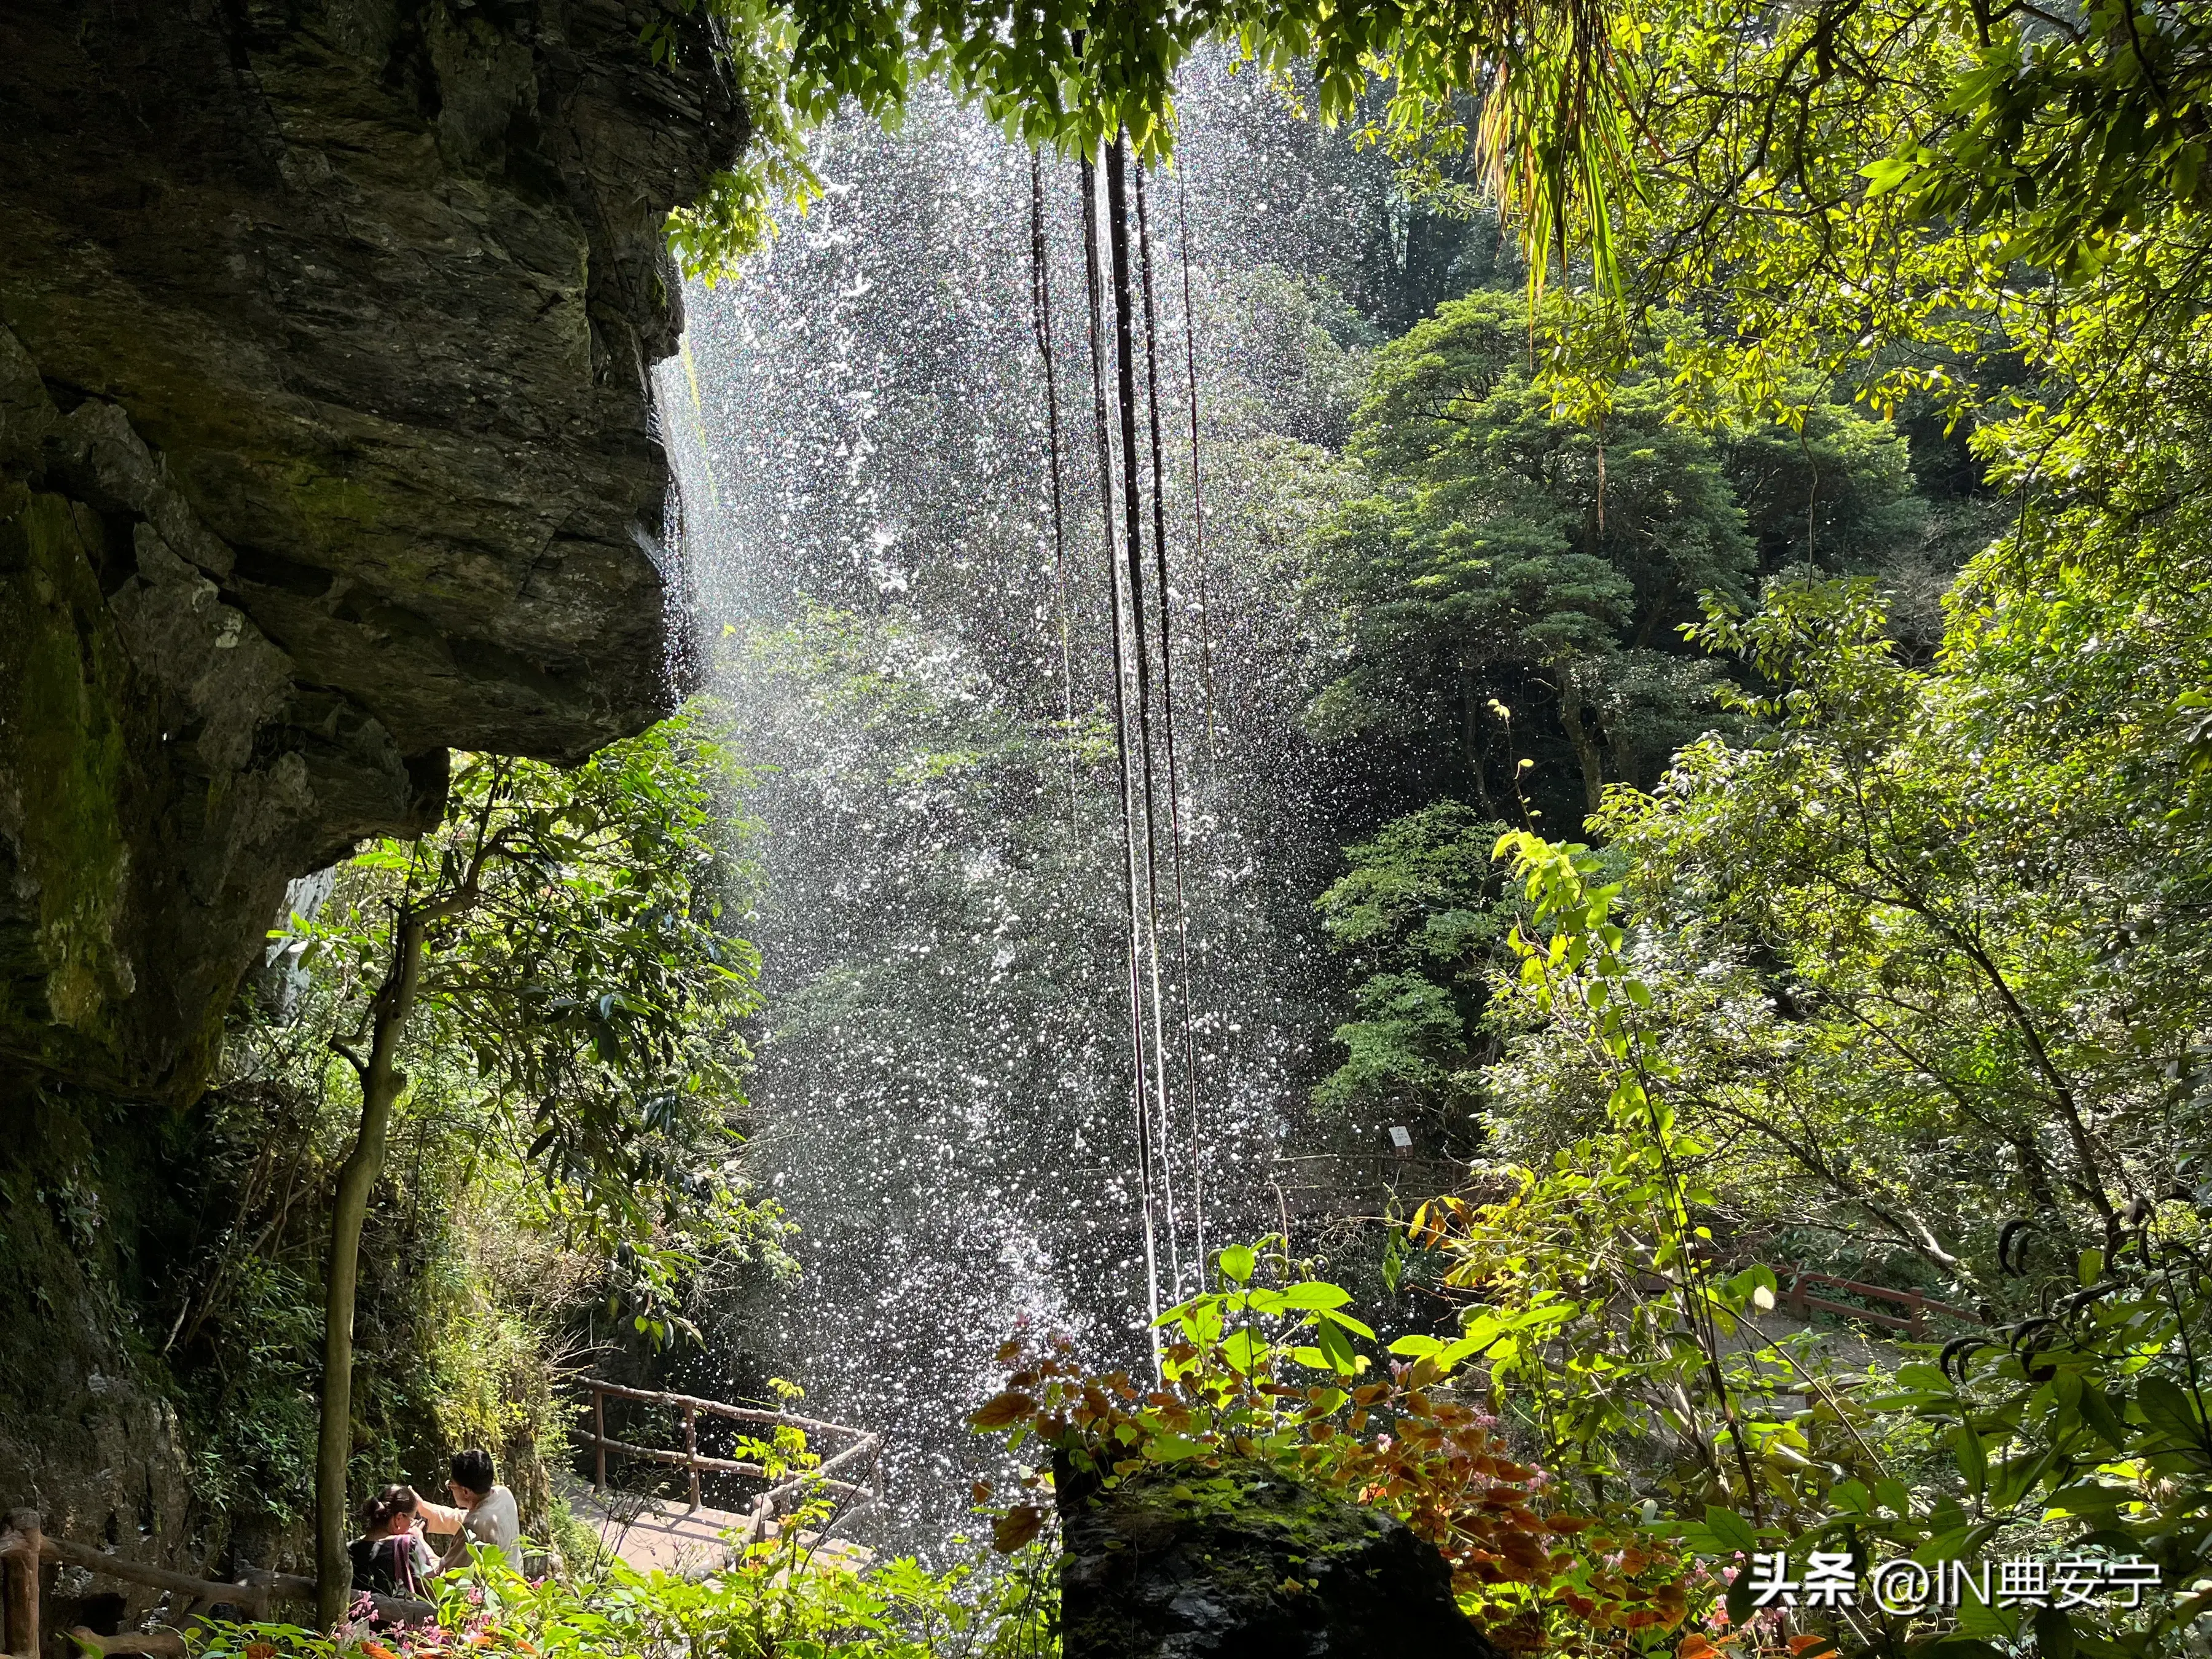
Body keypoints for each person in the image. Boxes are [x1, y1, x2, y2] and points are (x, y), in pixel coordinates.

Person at [412, 1448, 522, 1571]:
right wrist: (423, 1507)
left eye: (451, 1486)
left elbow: (445, 1579)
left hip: (489, 1590)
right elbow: (463, 1517)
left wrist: (418, 1543)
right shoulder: (503, 1494)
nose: (451, 1489)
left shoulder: (475, 1527)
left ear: (465, 1491)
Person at [348, 1485, 437, 1599]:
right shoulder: (409, 1545)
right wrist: (420, 1541)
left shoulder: (350, 1549)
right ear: (399, 1519)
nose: (411, 1525)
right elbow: (434, 1591)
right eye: (412, 1520)